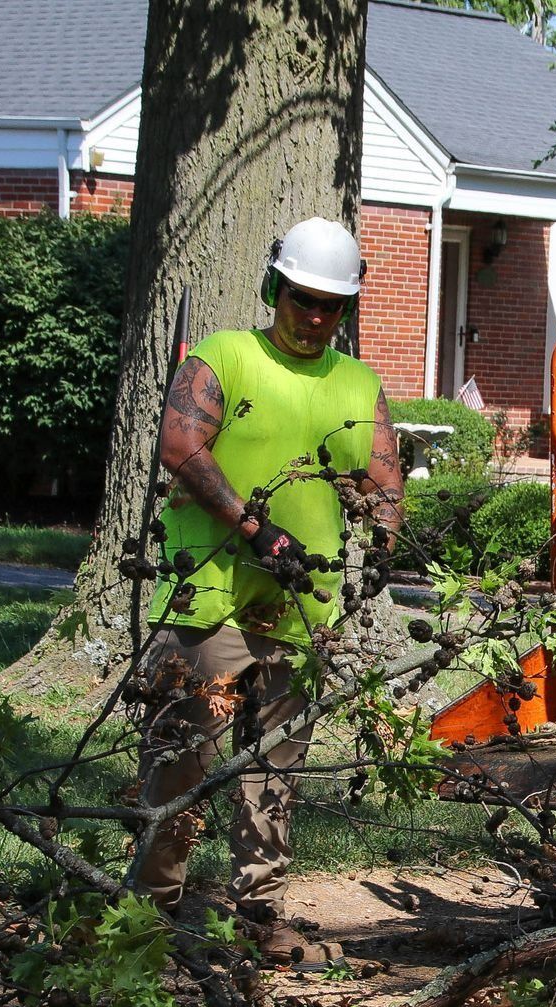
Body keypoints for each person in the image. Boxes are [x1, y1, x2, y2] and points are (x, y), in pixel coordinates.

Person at [134, 217, 402, 966]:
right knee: (181, 761)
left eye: (331, 306)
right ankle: (148, 919)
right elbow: (181, 448)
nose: (316, 317)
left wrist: (385, 532)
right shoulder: (226, 356)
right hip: (209, 598)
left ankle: (256, 917)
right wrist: (254, 529)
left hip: (301, 609)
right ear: (274, 287)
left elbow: (382, 475)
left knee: (273, 775)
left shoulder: (357, 383)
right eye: (303, 298)